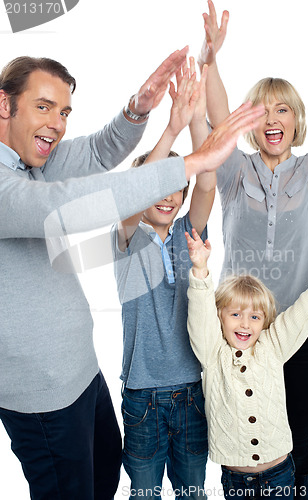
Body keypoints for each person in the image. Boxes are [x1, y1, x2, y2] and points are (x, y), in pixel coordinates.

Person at [0, 51, 264, 500]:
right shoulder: (122, 234)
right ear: (4, 105)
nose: (57, 123)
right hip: (52, 396)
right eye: (43, 106)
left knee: (118, 481)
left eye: (64, 111)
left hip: (91, 379)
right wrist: (191, 159)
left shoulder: (34, 164)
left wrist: (150, 111)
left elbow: (102, 153)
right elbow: (72, 204)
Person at [197, 1, 308, 496]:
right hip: (241, 336)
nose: (273, 119)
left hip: (305, 334)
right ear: (248, 122)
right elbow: (217, 117)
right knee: (248, 446)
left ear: (297, 120)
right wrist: (210, 60)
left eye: (283, 109)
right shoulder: (234, 172)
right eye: (261, 110)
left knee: (299, 437)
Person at [111, 59, 212, 499]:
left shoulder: (191, 232)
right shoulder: (127, 238)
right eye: (159, 185)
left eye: (175, 186)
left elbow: (207, 182)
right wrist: (169, 129)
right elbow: (136, 195)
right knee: (145, 494)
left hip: (191, 390)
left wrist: (193, 124)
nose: (168, 196)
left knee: (193, 491)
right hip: (142, 398)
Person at [185, 228, 308, 500]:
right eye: (236, 314)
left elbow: (304, 311)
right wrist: (200, 271)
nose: (244, 323)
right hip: (235, 481)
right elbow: (200, 315)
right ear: (220, 317)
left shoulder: (272, 346)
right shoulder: (213, 353)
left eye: (255, 317)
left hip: (279, 475)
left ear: (265, 322)